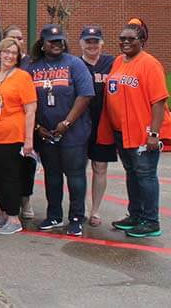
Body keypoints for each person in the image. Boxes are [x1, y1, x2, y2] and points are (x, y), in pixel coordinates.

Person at [98, 19, 171, 238]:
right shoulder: (119, 61)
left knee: (146, 175)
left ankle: (151, 221)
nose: (125, 42)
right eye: (122, 39)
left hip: (142, 133)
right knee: (132, 174)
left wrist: (154, 133)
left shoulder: (150, 64)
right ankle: (136, 214)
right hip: (122, 132)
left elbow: (158, 101)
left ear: (142, 40)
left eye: (131, 39)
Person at [26, 24, 94, 236]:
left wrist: (66, 123)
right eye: (52, 41)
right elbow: (26, 100)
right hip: (45, 133)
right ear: (43, 44)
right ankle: (54, 215)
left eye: (60, 41)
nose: (57, 45)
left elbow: (85, 95)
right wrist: (37, 127)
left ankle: (76, 218)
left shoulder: (75, 64)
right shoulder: (32, 66)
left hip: (73, 133)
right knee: (52, 176)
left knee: (75, 176)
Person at [0, 38, 37, 235]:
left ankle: (14, 217)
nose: (10, 56)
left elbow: (30, 110)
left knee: (10, 178)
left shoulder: (23, 77)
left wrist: (28, 140)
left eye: (14, 53)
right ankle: (4, 212)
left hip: (11, 137)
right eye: (6, 52)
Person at [78, 26, 117, 227]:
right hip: (81, 124)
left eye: (95, 41)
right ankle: (81, 208)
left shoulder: (112, 63)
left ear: (102, 43)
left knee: (100, 167)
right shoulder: (76, 64)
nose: (92, 45)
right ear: (81, 43)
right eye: (88, 41)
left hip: (104, 124)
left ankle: (95, 210)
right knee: (79, 167)